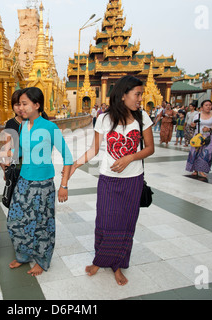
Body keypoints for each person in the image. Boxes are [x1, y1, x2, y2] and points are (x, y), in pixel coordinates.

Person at [69, 75, 154, 286]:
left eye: (141, 94)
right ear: (123, 95)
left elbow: (150, 148)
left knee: (126, 224)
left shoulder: (142, 117)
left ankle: (117, 265)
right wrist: (75, 165)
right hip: (108, 180)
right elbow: (94, 150)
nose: (140, 99)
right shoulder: (105, 119)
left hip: (133, 181)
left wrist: (130, 157)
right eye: (137, 94)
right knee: (105, 222)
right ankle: (100, 260)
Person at [2, 87, 73, 277]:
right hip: (24, 181)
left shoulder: (50, 127)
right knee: (15, 221)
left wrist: (63, 185)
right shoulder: (24, 126)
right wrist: (1, 153)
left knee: (43, 224)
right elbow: (21, 152)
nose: (21, 108)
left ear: (36, 105)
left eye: (25, 104)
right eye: (20, 104)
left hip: (43, 185)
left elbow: (68, 157)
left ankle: (42, 261)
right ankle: (23, 255)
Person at [186, 100, 212, 178]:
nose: (208, 107)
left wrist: (209, 129)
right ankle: (195, 170)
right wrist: (193, 125)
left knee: (206, 153)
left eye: (209, 105)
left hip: (207, 137)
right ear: (202, 107)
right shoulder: (198, 116)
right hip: (198, 136)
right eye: (206, 105)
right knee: (195, 152)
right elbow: (193, 125)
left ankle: (202, 169)